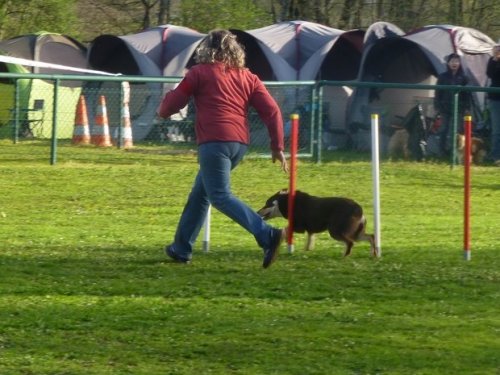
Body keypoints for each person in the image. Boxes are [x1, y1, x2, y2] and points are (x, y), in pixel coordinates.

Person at [157, 29, 289, 268]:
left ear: (206, 49)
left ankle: (267, 234)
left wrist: (163, 107)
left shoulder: (199, 73)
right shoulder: (249, 77)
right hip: (238, 145)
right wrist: (277, 146)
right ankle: (181, 248)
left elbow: (172, 105)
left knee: (219, 196)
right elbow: (272, 111)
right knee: (201, 195)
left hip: (214, 143)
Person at [433, 53, 471, 156]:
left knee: (455, 131)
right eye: (452, 61)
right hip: (445, 108)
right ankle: (441, 152)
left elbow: (468, 94)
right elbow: (437, 93)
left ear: (460, 63)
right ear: (448, 63)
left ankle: (454, 153)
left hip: (459, 108)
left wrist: (467, 108)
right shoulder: (442, 77)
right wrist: (437, 106)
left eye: (457, 61)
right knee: (443, 129)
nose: (454, 63)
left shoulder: (464, 78)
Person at [486, 44, 500, 166]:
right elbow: (490, 75)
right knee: (496, 129)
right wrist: (495, 59)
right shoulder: (492, 60)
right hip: (495, 99)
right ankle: (495, 156)